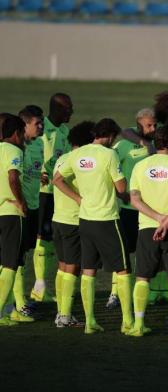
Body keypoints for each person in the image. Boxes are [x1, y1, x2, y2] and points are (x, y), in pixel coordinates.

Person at [53, 118, 133, 335]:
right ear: (108, 136)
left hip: (85, 220)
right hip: (107, 219)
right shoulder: (110, 154)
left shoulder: (77, 154)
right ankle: (127, 321)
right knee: (123, 270)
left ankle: (89, 322)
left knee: (88, 271)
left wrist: (78, 198)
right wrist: (127, 194)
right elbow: (121, 186)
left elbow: (58, 180)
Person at [129, 125, 168, 338]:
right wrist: (167, 221)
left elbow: (134, 199)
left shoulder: (140, 166)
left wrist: (157, 220)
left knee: (142, 278)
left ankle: (137, 325)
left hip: (147, 228)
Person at [106, 108, 155, 309]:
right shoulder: (124, 145)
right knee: (123, 253)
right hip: (128, 210)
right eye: (148, 125)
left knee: (147, 254)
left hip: (150, 212)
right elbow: (109, 169)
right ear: (138, 126)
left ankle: (144, 293)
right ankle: (115, 293)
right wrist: (120, 194)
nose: (152, 128)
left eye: (154, 124)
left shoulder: (157, 146)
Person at [31, 93, 73, 302]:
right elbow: (29, 152)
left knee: (49, 238)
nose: (71, 112)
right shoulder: (40, 128)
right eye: (68, 109)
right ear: (57, 110)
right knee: (40, 236)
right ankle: (38, 286)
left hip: (58, 192)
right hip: (42, 193)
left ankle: (42, 287)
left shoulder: (65, 131)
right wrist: (39, 174)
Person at [52, 121, 95, 327]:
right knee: (72, 268)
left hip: (58, 219)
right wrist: (79, 199)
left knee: (62, 268)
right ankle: (65, 317)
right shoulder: (79, 160)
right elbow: (58, 182)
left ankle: (61, 312)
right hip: (72, 220)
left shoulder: (62, 158)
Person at [13, 105, 44, 317]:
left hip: (33, 205)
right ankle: (18, 303)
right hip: (18, 208)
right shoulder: (17, 148)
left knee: (22, 254)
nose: (41, 127)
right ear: (24, 125)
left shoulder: (39, 144)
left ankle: (18, 301)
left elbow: (30, 172)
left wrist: (39, 176)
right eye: (37, 124)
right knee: (14, 258)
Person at [0, 115, 29, 326]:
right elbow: (12, 177)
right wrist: (21, 202)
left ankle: (9, 311)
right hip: (10, 213)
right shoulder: (14, 151)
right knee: (10, 264)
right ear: (17, 133)